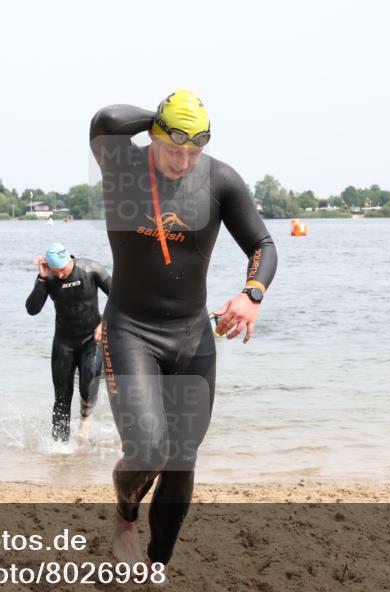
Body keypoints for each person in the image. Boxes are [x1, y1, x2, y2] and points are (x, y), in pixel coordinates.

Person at [90, 90, 278, 566]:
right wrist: (161, 118)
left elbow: (262, 244)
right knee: (149, 448)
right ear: (153, 135)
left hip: (192, 336)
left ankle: (157, 564)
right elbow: (107, 119)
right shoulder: (122, 166)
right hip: (130, 329)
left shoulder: (220, 180)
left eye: (194, 150)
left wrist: (252, 292)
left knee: (181, 459)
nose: (183, 159)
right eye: (174, 146)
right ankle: (125, 517)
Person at [26, 242, 112, 442]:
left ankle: (85, 420)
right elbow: (32, 309)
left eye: (63, 270)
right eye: (57, 272)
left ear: (69, 261)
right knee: (62, 397)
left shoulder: (90, 269)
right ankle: (59, 447)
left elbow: (119, 296)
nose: (61, 275)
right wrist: (41, 278)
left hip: (92, 339)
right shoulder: (48, 278)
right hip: (64, 342)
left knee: (87, 385)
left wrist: (104, 323)